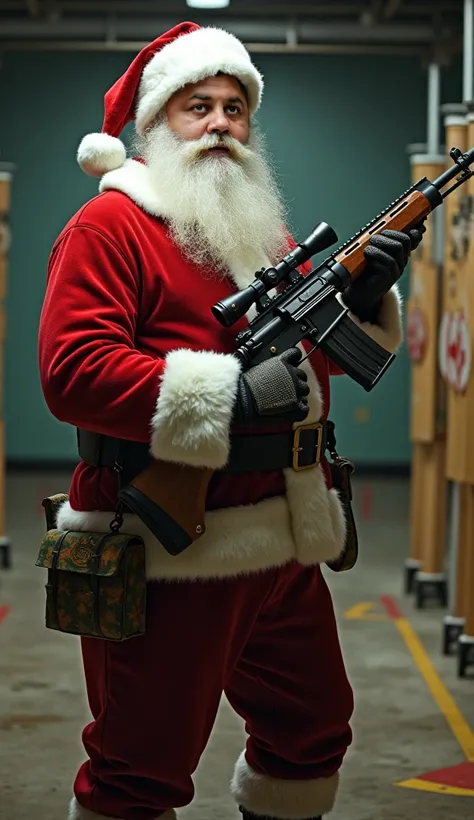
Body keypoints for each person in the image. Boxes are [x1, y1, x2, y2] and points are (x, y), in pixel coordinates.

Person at [38, 20, 424, 820]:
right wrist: (228, 394)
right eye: (196, 106)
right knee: (141, 764)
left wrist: (356, 302)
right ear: (156, 124)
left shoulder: (259, 230)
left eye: (234, 107)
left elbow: (300, 373)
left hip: (283, 538)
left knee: (312, 731)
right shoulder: (107, 228)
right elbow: (73, 372)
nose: (220, 124)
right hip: (163, 542)